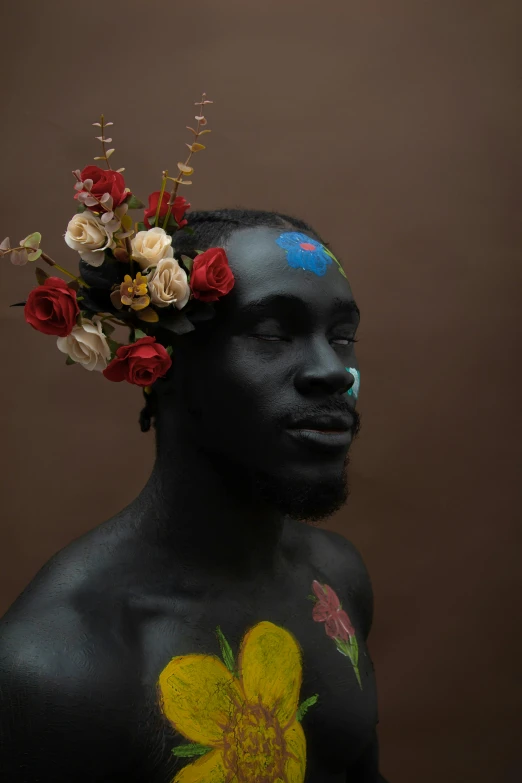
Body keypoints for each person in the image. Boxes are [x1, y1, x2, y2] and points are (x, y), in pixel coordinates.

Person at [0, 208, 387, 783]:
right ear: (159, 362)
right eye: (274, 334)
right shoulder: (61, 665)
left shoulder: (336, 580)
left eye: (342, 337)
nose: (332, 371)